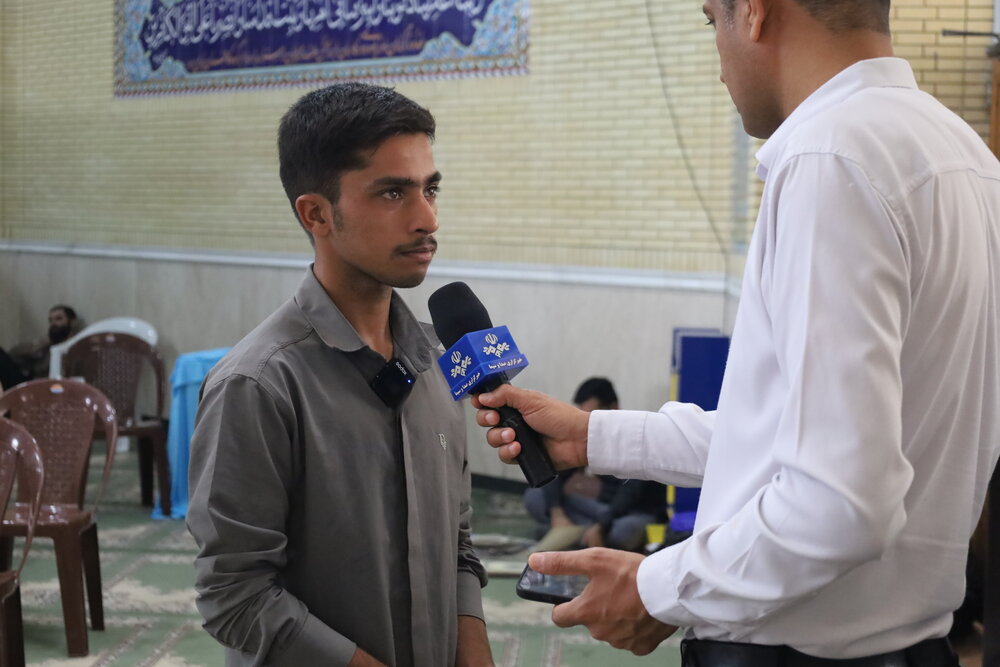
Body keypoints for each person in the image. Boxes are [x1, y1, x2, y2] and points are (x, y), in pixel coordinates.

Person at [474, 0, 1000, 663]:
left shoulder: (829, 158)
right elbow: (795, 437)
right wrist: (593, 436)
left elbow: (840, 503)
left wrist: (657, 589)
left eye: (710, 20)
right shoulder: (966, 156)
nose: (719, 61)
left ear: (752, 13)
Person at [186, 83, 492, 667]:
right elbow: (234, 596)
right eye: (393, 193)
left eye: (430, 189)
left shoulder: (436, 359)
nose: (427, 218)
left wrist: (474, 652)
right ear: (316, 214)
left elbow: (456, 544)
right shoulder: (258, 385)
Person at [523, 378, 667, 552]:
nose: (587, 422)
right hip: (599, 510)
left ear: (613, 408)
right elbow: (557, 475)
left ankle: (577, 534)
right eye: (582, 414)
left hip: (632, 513)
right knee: (535, 496)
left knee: (623, 531)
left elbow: (629, 494)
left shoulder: (634, 437)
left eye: (592, 415)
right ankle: (581, 534)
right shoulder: (588, 435)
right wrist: (557, 513)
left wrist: (601, 525)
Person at [0, 304, 83, 388]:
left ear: (72, 322)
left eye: (59, 318)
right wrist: (41, 345)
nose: (53, 323)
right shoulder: (46, 345)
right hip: (29, 383)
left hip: (51, 387)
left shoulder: (76, 347)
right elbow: (13, 353)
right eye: (51, 320)